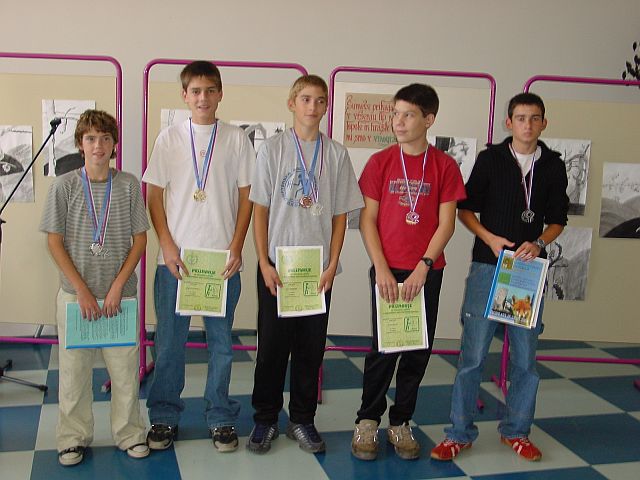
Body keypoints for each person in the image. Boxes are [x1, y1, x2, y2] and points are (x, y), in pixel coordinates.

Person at [431, 92, 569, 462]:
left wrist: (539, 243)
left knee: (525, 359)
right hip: (487, 267)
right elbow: (465, 209)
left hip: (526, 272)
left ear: (544, 123)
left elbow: (558, 219)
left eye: (535, 118)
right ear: (509, 122)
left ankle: (517, 431)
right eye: (520, 118)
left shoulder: (553, 166)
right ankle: (459, 433)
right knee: (473, 356)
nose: (528, 125)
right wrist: (489, 238)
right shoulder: (490, 159)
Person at [247, 74, 363, 454]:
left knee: (311, 349)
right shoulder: (272, 150)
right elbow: (260, 210)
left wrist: (333, 264)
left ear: (326, 106)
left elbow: (341, 216)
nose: (313, 107)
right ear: (292, 103)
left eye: (320, 100)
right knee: (271, 348)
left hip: (317, 271)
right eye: (306, 99)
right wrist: (263, 262)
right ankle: (265, 419)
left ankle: (302, 419)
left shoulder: (337, 154)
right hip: (277, 268)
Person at [143, 61, 255, 453]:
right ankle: (164, 416)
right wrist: (167, 244)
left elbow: (247, 197)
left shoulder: (237, 139)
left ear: (220, 93)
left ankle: (220, 417)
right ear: (184, 95)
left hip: (221, 263)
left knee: (221, 345)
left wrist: (237, 246)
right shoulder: (169, 138)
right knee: (169, 345)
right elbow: (154, 195)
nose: (203, 98)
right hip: (175, 262)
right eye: (195, 91)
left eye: (210, 90)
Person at [351, 84, 466, 461]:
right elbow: (367, 220)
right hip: (387, 270)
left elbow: (446, 224)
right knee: (383, 350)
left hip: (426, 272)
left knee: (417, 349)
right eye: (395, 114)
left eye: (408, 115)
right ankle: (368, 420)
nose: (398, 122)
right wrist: (382, 268)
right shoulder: (380, 162)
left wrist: (424, 266)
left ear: (429, 119)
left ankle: (401, 422)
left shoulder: (445, 166)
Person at [40, 109, 150, 466]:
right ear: (80, 144)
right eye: (90, 138)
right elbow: (54, 241)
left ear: (114, 144)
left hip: (120, 298)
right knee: (74, 374)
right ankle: (73, 438)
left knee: (125, 374)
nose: (98, 145)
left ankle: (129, 433)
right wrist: (82, 290)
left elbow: (139, 239)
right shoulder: (64, 186)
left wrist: (117, 286)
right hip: (76, 298)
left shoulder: (128, 185)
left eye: (105, 138)